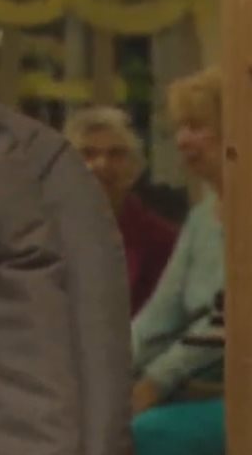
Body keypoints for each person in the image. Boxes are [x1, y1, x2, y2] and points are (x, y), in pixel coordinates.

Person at [0, 100, 131, 455]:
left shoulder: (28, 159)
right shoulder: (34, 157)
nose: (102, 164)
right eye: (92, 152)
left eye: (115, 153)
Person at [129, 67, 226, 455]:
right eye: (179, 129)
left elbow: (229, 320)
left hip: (243, 393)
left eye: (196, 127)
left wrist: (155, 381)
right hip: (189, 387)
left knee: (139, 435)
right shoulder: (201, 218)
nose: (183, 140)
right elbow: (158, 317)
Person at [65, 106, 178, 316]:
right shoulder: (39, 231)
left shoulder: (162, 241)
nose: (101, 164)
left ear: (135, 166)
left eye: (116, 154)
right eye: (87, 153)